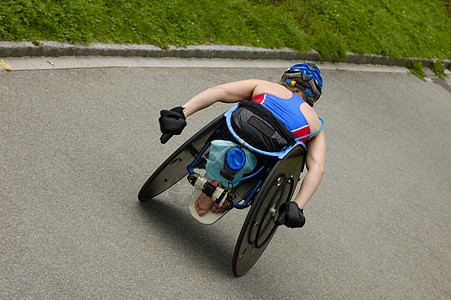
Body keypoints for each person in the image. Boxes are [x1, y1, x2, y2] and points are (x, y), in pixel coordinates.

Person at [158, 62, 326, 228]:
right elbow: (317, 167)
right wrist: (297, 205)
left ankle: (219, 178)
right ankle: (232, 187)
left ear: (285, 79)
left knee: (239, 128)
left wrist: (182, 112)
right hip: (270, 150)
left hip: (239, 129)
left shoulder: (266, 86)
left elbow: (219, 92)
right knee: (277, 156)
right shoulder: (315, 123)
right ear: (314, 97)